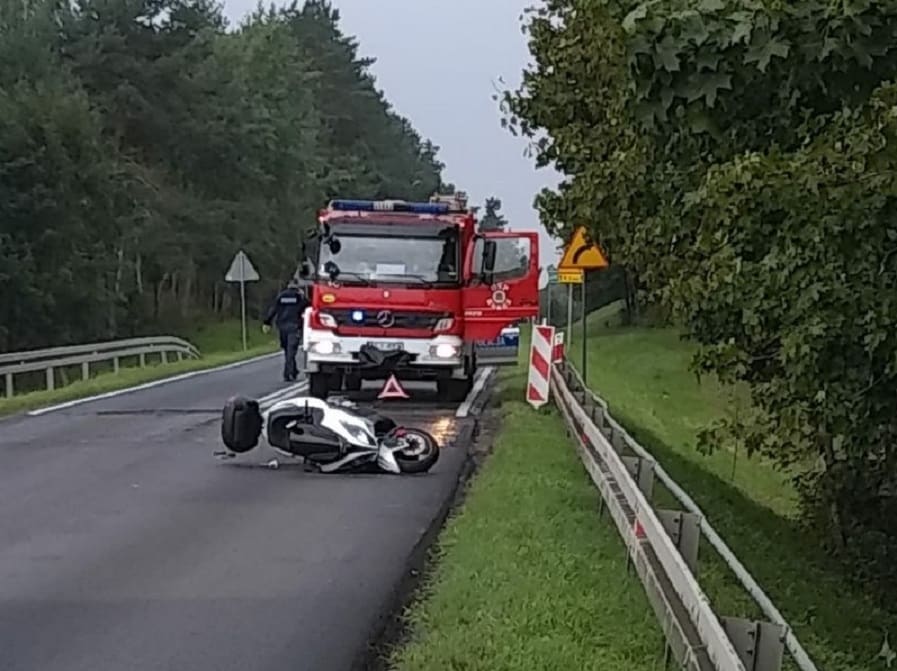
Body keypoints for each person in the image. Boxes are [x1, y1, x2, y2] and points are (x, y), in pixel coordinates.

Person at [262, 278, 309, 382]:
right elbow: (309, 307)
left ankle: (292, 371)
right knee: (291, 351)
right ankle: (288, 373)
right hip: (294, 326)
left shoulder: (281, 296)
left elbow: (273, 309)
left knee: (287, 351)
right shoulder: (299, 297)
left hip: (282, 326)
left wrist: (267, 322)